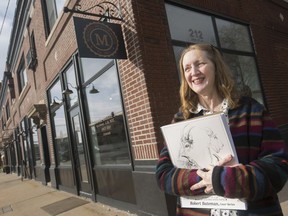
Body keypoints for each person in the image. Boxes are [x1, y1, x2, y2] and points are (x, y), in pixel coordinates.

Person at [156, 43, 288, 216]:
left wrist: (224, 180)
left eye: (200, 64)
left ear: (216, 67)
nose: (193, 72)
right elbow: (163, 174)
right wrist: (202, 178)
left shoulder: (251, 111)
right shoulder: (181, 120)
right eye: (187, 68)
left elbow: (278, 167)